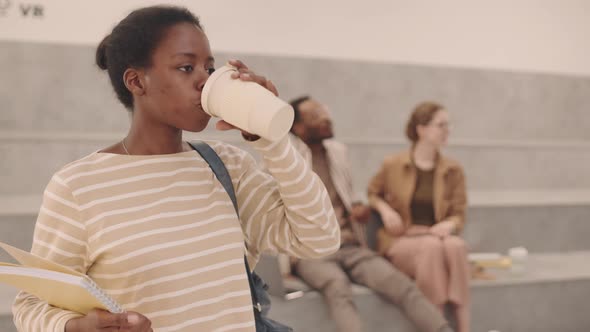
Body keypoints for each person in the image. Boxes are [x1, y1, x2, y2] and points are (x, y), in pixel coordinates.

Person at [12, 6, 340, 332]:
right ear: (136, 81)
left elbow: (319, 238)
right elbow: (32, 305)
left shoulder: (229, 167)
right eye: (186, 67)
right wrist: (74, 327)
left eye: (209, 68)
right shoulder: (78, 186)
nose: (205, 81)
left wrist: (272, 138)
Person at [288, 96, 453, 332]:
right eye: (315, 115)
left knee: (401, 285)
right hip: (310, 252)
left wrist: (360, 209)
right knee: (338, 286)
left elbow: (345, 196)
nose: (326, 118)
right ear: (298, 127)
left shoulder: (337, 152)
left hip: (350, 245)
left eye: (325, 111)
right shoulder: (285, 157)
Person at [368, 101, 470, 332]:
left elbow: (459, 213)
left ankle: (465, 328)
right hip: (402, 239)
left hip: (436, 237)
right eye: (441, 125)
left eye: (449, 125)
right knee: (433, 248)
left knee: (456, 246)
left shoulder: (453, 169)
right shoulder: (392, 164)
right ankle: (436, 326)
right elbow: (373, 193)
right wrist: (386, 210)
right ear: (421, 129)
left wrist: (449, 224)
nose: (447, 130)